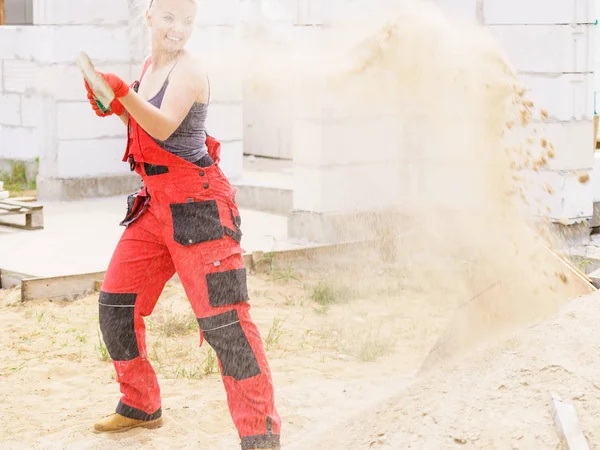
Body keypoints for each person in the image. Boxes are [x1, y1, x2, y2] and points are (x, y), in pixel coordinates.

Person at [83, 0, 281, 448]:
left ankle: (261, 435)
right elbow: (137, 116)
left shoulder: (190, 70)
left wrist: (123, 94)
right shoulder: (151, 63)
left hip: (200, 208)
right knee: (116, 305)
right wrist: (111, 101)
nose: (179, 28)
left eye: (188, 20)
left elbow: (165, 127)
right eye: (169, 17)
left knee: (226, 326)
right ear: (149, 16)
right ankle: (140, 404)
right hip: (155, 206)